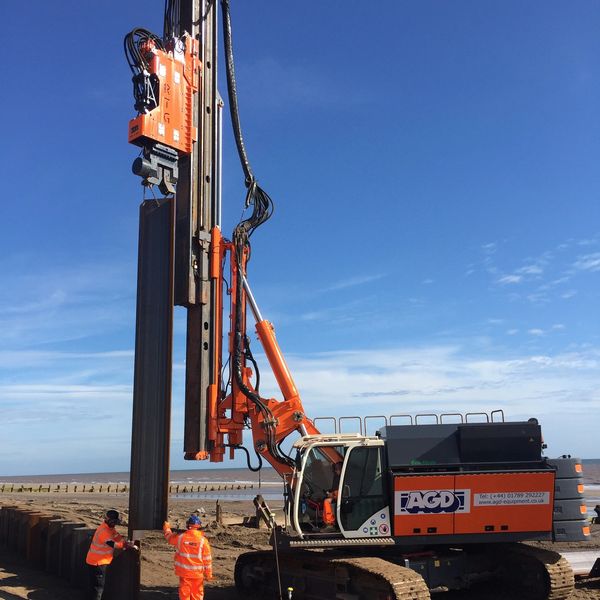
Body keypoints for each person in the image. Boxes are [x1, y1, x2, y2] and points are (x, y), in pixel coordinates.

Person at [85, 509, 137, 600]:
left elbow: (116, 536)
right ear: (110, 520)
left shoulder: (110, 528)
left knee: (95, 586)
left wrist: (125, 541)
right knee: (98, 587)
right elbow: (112, 544)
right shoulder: (104, 531)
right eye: (114, 522)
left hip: (98, 561)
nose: (115, 524)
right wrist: (125, 545)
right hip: (97, 563)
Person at [163, 514, 213, 600]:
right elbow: (207, 559)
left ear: (188, 525)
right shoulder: (203, 541)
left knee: (184, 595)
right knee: (197, 595)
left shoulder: (180, 538)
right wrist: (208, 574)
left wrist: (167, 528)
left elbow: (169, 538)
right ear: (199, 526)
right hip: (197, 575)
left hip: (184, 574)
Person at [322, 462, 343, 530]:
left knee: (327, 501)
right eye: (335, 469)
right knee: (324, 499)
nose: (335, 471)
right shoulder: (336, 477)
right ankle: (325, 522)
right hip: (336, 496)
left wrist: (332, 494)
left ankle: (330, 523)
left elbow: (341, 491)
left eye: (337, 469)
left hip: (341, 497)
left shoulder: (343, 477)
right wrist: (329, 492)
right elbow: (334, 489)